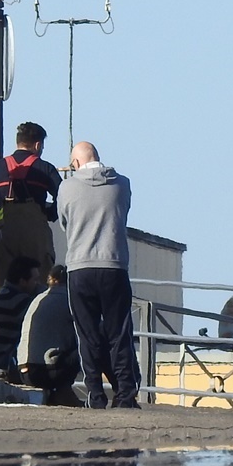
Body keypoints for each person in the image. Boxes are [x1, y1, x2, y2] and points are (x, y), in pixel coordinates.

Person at [59, 141, 137, 409]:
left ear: (75, 163)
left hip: (80, 266)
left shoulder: (67, 187)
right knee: (120, 333)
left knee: (87, 334)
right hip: (114, 264)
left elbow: (64, 222)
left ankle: (95, 394)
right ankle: (125, 393)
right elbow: (123, 215)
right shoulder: (122, 184)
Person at [0, 122, 62, 288]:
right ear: (38, 145)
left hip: (3, 231)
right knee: (39, 279)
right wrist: (51, 213)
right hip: (34, 233)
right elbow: (63, 196)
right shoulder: (45, 169)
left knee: (5, 279)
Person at [19, 265, 82, 406]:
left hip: (24, 371)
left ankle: (60, 394)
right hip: (46, 372)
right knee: (89, 342)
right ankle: (65, 392)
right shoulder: (70, 300)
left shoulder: (38, 298)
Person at [0, 255, 42, 380]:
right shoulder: (17, 301)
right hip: (2, 365)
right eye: (35, 280)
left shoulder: (5, 295)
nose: (38, 284)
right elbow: (41, 321)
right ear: (22, 281)